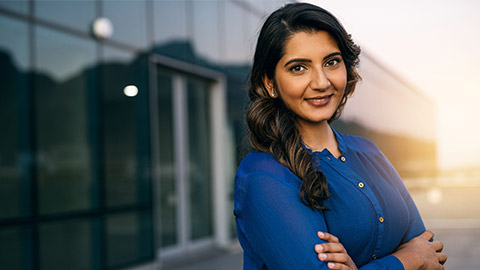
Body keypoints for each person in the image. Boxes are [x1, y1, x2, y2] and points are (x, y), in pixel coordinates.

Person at [233, 3, 447, 270]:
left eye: (331, 62)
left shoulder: (369, 151)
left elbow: (431, 253)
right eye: (299, 68)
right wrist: (409, 259)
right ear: (269, 83)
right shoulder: (264, 176)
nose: (322, 82)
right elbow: (421, 255)